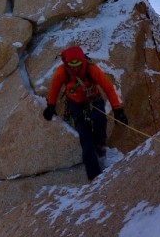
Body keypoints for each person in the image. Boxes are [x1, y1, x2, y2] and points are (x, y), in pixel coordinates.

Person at [43, 46, 128, 180]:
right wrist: (51, 106)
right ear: (67, 63)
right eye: (72, 64)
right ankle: (94, 176)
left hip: (93, 99)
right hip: (75, 103)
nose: (75, 68)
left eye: (78, 64)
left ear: (82, 61)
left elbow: (108, 88)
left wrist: (117, 109)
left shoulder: (91, 70)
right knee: (85, 136)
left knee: (100, 120)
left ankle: (100, 145)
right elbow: (54, 88)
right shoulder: (62, 72)